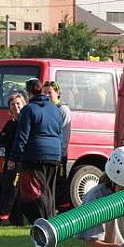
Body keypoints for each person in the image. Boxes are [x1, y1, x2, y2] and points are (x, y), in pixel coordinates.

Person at [9, 78, 63, 222]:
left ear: (28, 92)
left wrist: (14, 158)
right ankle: (52, 219)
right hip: (54, 154)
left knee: (39, 190)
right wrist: (60, 153)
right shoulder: (54, 109)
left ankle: (45, 221)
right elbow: (60, 133)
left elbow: (22, 136)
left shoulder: (29, 109)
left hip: (36, 154)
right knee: (49, 189)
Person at [0, 92, 26, 227]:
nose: (16, 106)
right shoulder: (10, 123)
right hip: (8, 161)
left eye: (18, 103)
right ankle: (16, 219)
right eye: (12, 104)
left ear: (24, 105)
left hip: (18, 162)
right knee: (12, 190)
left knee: (10, 190)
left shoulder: (25, 122)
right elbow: (2, 139)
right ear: (9, 108)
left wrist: (14, 160)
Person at [43, 81, 72, 212]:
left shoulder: (63, 110)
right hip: (49, 153)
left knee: (60, 183)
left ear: (58, 93)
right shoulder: (46, 109)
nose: (47, 95)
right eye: (45, 93)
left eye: (50, 92)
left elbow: (64, 135)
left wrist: (61, 152)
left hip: (59, 154)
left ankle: (64, 209)